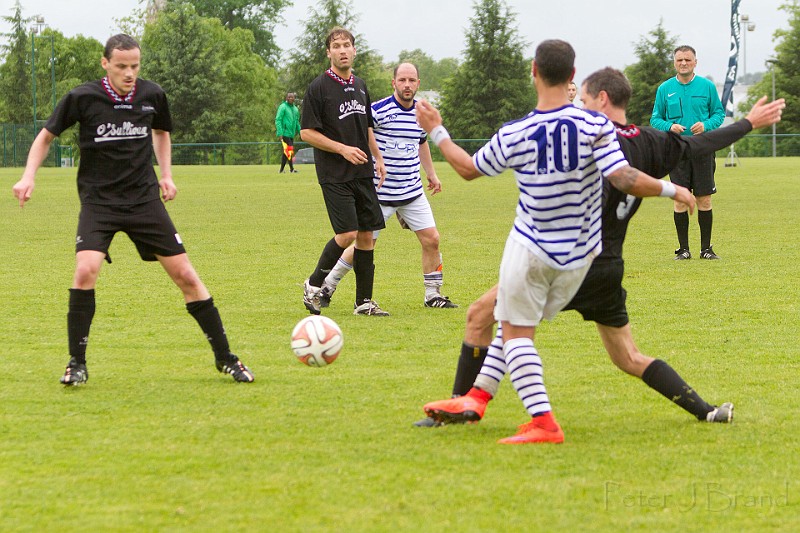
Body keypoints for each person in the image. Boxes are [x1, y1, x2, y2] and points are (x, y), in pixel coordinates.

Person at [419, 68, 784, 432]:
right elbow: (700, 145)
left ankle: (465, 408)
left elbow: (578, 165)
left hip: (568, 259)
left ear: (603, 100)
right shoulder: (651, 141)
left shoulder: (590, 138)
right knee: (627, 356)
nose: (581, 106)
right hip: (608, 267)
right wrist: (749, 122)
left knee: (486, 316)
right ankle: (707, 411)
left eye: (585, 100)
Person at [415, 41, 697, 445]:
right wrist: (673, 191)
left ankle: (543, 423)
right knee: (508, 324)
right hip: (579, 257)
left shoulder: (516, 132)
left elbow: (467, 168)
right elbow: (623, 177)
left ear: (533, 71)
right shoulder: (596, 125)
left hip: (531, 249)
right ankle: (475, 399)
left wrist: (437, 129)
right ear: (571, 76)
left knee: (514, 334)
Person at [11, 34, 254, 385]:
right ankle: (75, 364)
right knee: (85, 269)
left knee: (186, 276)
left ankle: (226, 357)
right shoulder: (81, 97)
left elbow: (162, 132)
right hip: (99, 202)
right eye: (122, 66)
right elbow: (46, 136)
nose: (129, 73)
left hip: (144, 201)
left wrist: (166, 175)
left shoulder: (151, 94)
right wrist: (28, 177)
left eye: (135, 66)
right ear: (105, 63)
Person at [318, 62, 458, 310]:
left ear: (418, 84)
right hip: (380, 193)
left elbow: (422, 141)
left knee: (432, 239)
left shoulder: (421, 112)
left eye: (411, 80)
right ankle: (327, 285)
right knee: (364, 246)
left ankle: (433, 294)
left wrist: (431, 173)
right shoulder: (378, 110)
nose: (407, 85)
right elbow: (363, 133)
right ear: (393, 82)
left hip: (412, 191)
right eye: (402, 80)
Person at [300, 27, 389, 317]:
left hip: (362, 172)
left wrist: (377, 157)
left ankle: (364, 302)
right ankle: (313, 285)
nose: (342, 50)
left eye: (346, 45)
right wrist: (342, 149)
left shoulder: (361, 85)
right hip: (334, 174)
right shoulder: (318, 87)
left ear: (354, 50)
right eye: (336, 46)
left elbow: (367, 126)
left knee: (366, 235)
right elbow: (306, 133)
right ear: (328, 52)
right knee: (347, 233)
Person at [651, 45, 725, 260]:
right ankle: (683, 250)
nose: (683, 63)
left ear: (695, 62)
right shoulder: (664, 89)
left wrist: (706, 125)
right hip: (676, 152)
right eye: (679, 60)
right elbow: (655, 118)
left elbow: (719, 115)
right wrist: (669, 127)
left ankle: (706, 250)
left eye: (688, 60)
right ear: (674, 62)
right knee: (680, 201)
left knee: (704, 200)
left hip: (702, 149)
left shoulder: (707, 87)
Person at [276, 91, 301, 174]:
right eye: (289, 97)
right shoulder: (283, 107)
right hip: (285, 133)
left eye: (292, 97)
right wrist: (280, 133)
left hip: (291, 133)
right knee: (289, 150)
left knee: (286, 151)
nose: (291, 98)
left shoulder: (295, 109)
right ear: (286, 98)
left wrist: (300, 131)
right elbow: (278, 120)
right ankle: (291, 169)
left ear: (294, 98)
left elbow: (297, 122)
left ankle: (282, 170)